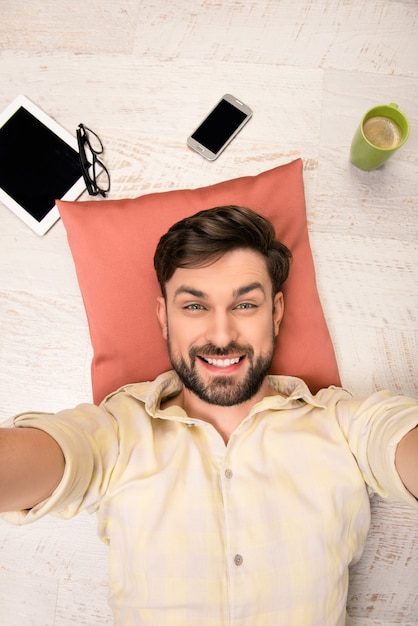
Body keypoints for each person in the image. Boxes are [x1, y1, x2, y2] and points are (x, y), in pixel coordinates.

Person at [0, 205, 417, 625]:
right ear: (164, 317)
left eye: (245, 305)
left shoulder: (343, 425)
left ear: (275, 312)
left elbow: (394, 437)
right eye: (195, 307)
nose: (221, 336)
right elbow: (60, 453)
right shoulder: (119, 432)